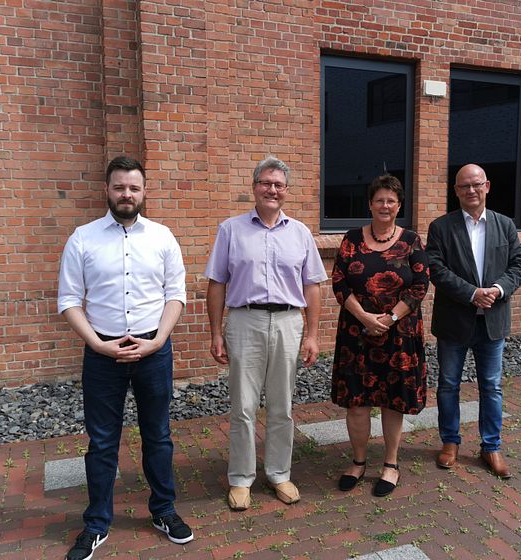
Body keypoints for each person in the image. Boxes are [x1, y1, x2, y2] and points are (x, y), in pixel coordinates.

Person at [58, 156, 193, 560]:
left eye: (134, 187)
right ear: (107, 190)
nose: (127, 194)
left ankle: (163, 510)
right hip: (102, 355)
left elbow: (176, 294)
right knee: (101, 443)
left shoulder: (163, 237)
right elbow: (68, 300)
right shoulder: (82, 238)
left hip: (154, 351)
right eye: (119, 187)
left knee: (159, 436)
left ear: (144, 190)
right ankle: (97, 523)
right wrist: (97, 344)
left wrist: (158, 341)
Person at [205, 156, 327, 511]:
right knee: (242, 406)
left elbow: (313, 287)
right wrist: (215, 332)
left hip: (289, 323)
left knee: (282, 406)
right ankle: (241, 478)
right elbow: (217, 283)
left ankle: (278, 473)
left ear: (286, 191)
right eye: (265, 183)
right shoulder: (231, 229)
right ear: (254, 187)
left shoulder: (301, 233)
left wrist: (313, 334)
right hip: (245, 321)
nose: (272, 190)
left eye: (278, 185)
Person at [425, 163, 521, 479]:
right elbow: (436, 270)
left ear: (487, 186)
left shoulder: (505, 225)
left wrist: (496, 290)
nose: (470, 190)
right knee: (448, 384)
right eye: (464, 186)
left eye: (476, 184)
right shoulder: (441, 227)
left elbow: (519, 267)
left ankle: (491, 446)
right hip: (455, 320)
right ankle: (450, 442)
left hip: (492, 322)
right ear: (456, 191)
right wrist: (472, 293)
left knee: (492, 386)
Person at [331, 174, 430, 497]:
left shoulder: (412, 240)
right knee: (357, 403)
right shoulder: (351, 238)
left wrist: (388, 318)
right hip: (356, 334)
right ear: (370, 204)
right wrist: (363, 317)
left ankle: (390, 463)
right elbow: (339, 282)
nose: (385, 205)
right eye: (379, 200)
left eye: (391, 200)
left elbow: (419, 286)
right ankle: (358, 462)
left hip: (398, 335)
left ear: (399, 205)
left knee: (392, 401)